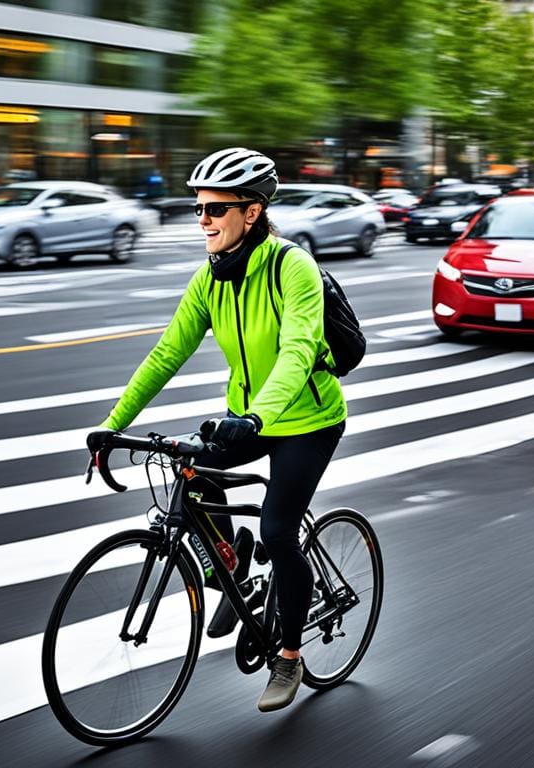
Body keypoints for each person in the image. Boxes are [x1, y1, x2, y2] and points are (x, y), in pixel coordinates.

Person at [93, 147, 347, 712]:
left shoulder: (291, 267)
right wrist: (113, 426)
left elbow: (298, 350)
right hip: (251, 415)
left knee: (280, 533)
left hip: (307, 418)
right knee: (188, 467)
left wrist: (257, 416)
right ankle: (236, 572)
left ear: (251, 212)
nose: (202, 220)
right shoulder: (210, 279)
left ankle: (288, 656)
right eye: (198, 209)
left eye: (214, 209)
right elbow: (166, 354)